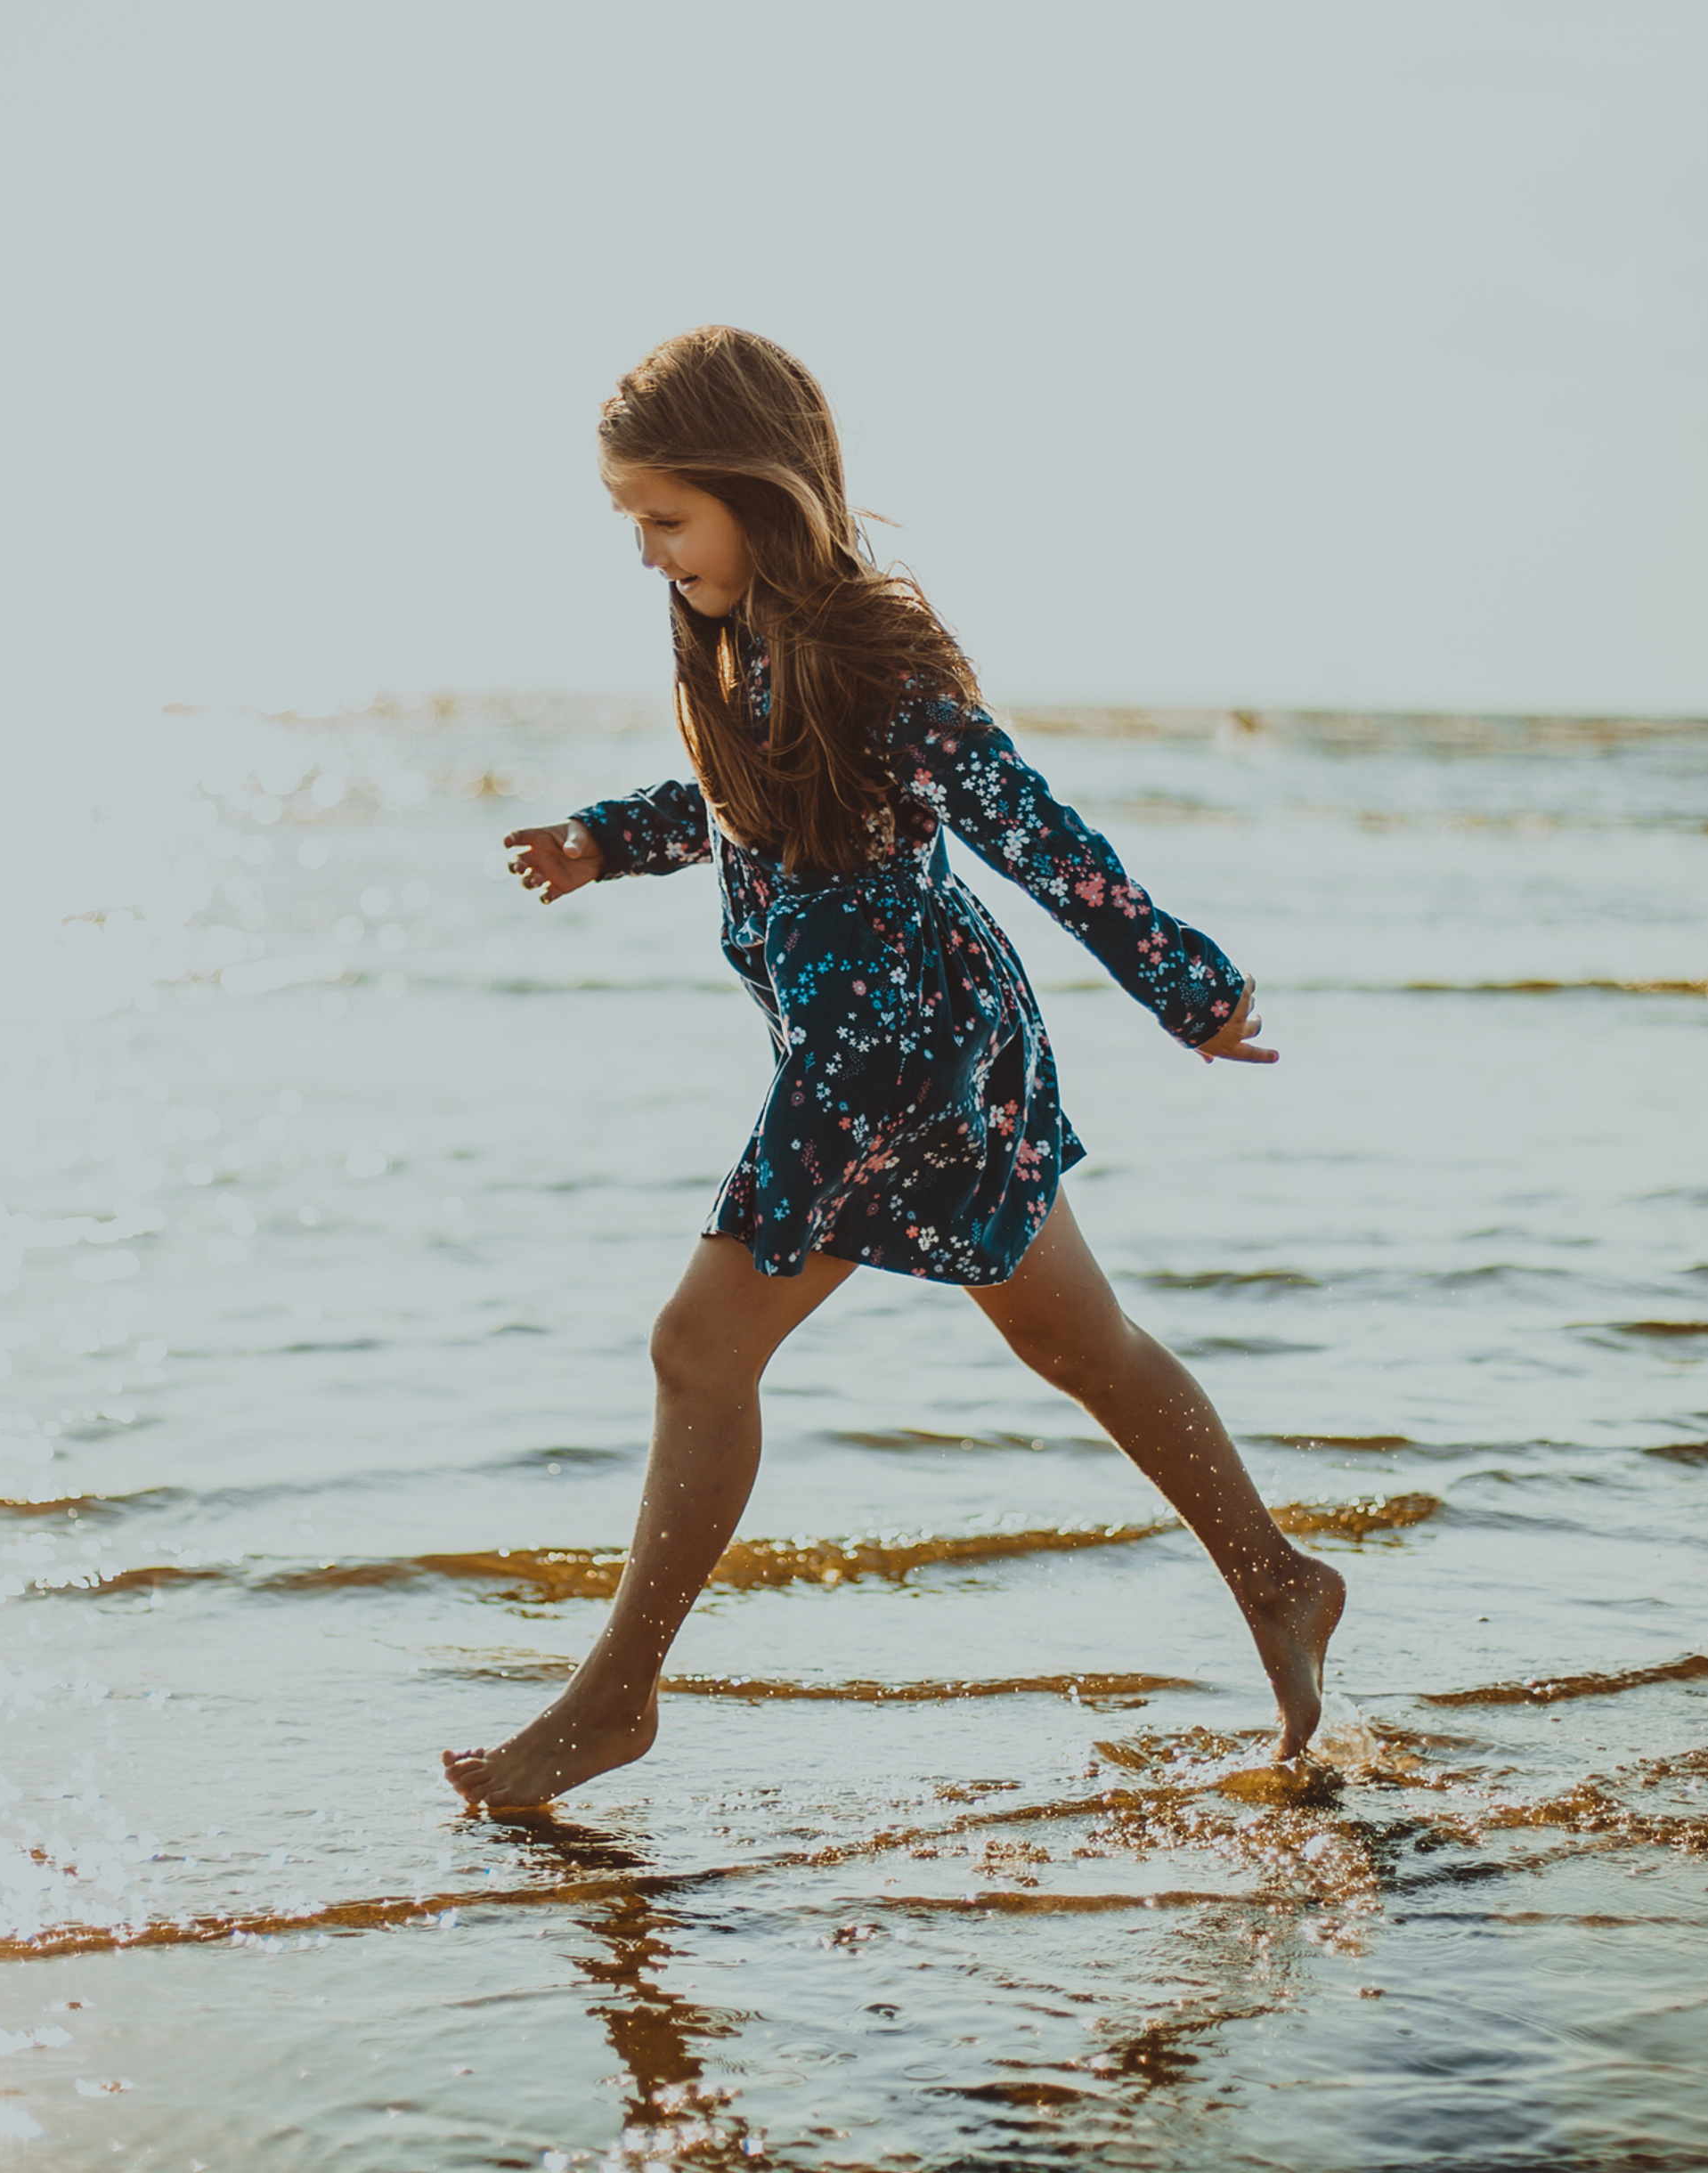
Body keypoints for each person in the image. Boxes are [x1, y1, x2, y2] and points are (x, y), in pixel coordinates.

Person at [443, 327, 1343, 1810]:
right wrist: (611, 837)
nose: (650, 555)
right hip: (921, 1047)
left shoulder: (872, 651)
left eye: (666, 520)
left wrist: (1190, 985)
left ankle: (612, 1704)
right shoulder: (750, 649)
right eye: (635, 525)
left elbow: (1032, 830)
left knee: (698, 1347)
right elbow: (752, 797)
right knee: (1077, 1343)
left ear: (762, 493)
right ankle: (1276, 1579)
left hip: (898, 1062)